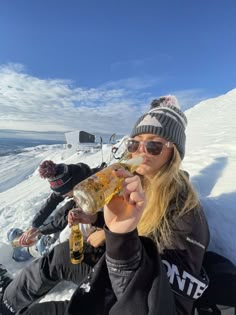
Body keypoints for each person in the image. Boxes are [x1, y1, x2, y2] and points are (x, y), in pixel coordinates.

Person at [1, 95, 209, 314]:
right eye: (134, 143)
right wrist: (98, 220)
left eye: (154, 146)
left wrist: (118, 237)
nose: (140, 152)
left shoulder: (186, 213)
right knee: (61, 255)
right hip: (109, 264)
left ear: (173, 153)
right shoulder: (136, 180)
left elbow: (166, 305)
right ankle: (7, 302)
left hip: (126, 297)